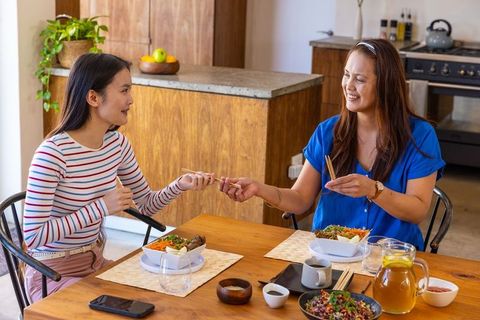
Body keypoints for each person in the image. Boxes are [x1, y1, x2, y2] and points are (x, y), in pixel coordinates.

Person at [23, 53, 214, 302]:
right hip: (51, 276)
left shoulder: (117, 144)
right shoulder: (52, 154)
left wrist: (180, 185)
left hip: (95, 263)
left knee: (162, 299)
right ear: (93, 97)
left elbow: (146, 204)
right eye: (124, 90)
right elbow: (33, 235)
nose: (131, 100)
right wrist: (101, 207)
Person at [220, 39, 445, 250]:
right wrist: (259, 189)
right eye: (347, 75)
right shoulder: (327, 132)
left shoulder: (420, 136)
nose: (348, 85)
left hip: (390, 260)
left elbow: (417, 211)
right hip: (331, 253)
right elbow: (299, 199)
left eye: (360, 79)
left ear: (385, 85)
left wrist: (373, 190)